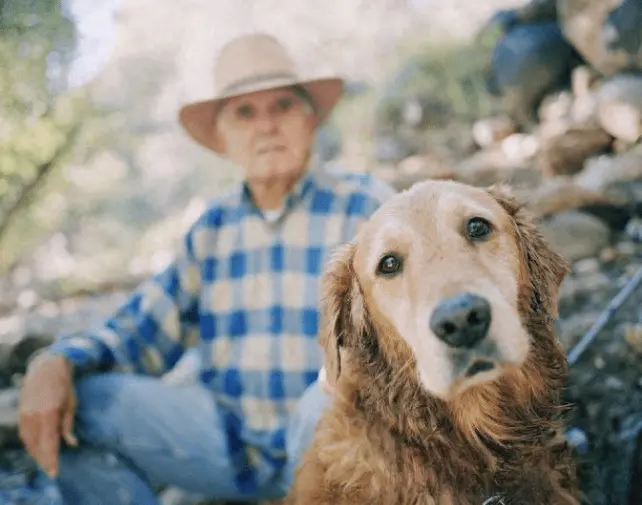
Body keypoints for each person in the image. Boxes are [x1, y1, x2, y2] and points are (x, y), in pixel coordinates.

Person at [17, 32, 396, 504]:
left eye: (282, 106)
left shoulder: (366, 209)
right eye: (245, 112)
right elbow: (140, 332)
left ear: (309, 119)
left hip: (335, 443)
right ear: (223, 138)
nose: (267, 126)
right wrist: (55, 360)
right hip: (227, 447)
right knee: (80, 408)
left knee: (324, 396)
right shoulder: (211, 230)